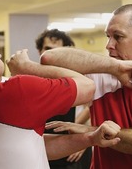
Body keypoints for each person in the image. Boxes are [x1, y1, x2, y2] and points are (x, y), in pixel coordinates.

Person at [0, 21, 128, 169]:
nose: (0, 56)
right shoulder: (15, 89)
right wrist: (28, 67)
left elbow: (38, 145)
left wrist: (90, 138)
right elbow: (88, 87)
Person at [39, 4, 132, 169]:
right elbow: (49, 58)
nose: (109, 45)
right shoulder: (104, 75)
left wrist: (92, 132)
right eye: (108, 36)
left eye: (118, 37)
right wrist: (113, 66)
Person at [35, 28, 92, 169]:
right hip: (40, 149)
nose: (50, 54)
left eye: (57, 50)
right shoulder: (32, 78)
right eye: (47, 49)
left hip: (69, 154)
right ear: (39, 50)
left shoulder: (75, 78)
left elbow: (92, 106)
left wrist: (82, 139)